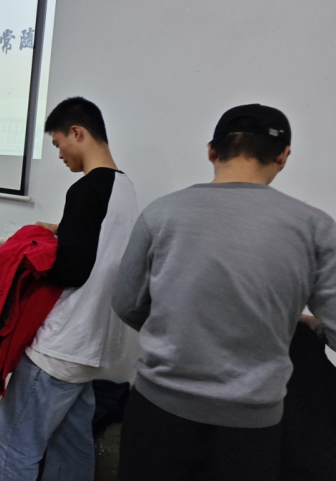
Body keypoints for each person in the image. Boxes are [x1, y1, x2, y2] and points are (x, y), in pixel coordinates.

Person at [112, 104, 336, 481]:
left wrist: (181, 326)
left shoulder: (162, 213)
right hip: (251, 427)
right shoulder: (315, 228)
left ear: (212, 151)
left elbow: (127, 303)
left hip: (159, 412)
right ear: (283, 156)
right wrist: (308, 325)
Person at [0, 97, 140, 481]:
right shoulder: (124, 188)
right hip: (93, 346)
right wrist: (62, 230)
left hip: (60, 346)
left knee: (12, 445)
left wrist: (26, 254)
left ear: (77, 132)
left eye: (58, 144)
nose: (59, 155)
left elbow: (71, 269)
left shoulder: (85, 189)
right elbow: (100, 246)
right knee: (70, 445)